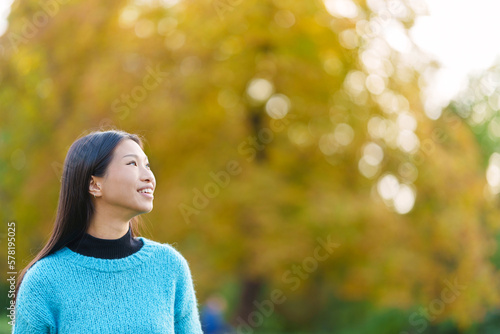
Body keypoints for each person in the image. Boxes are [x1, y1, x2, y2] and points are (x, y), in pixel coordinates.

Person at [11, 129, 203, 334]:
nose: (149, 176)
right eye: (133, 164)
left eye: (147, 165)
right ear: (94, 184)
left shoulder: (170, 266)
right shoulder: (44, 280)